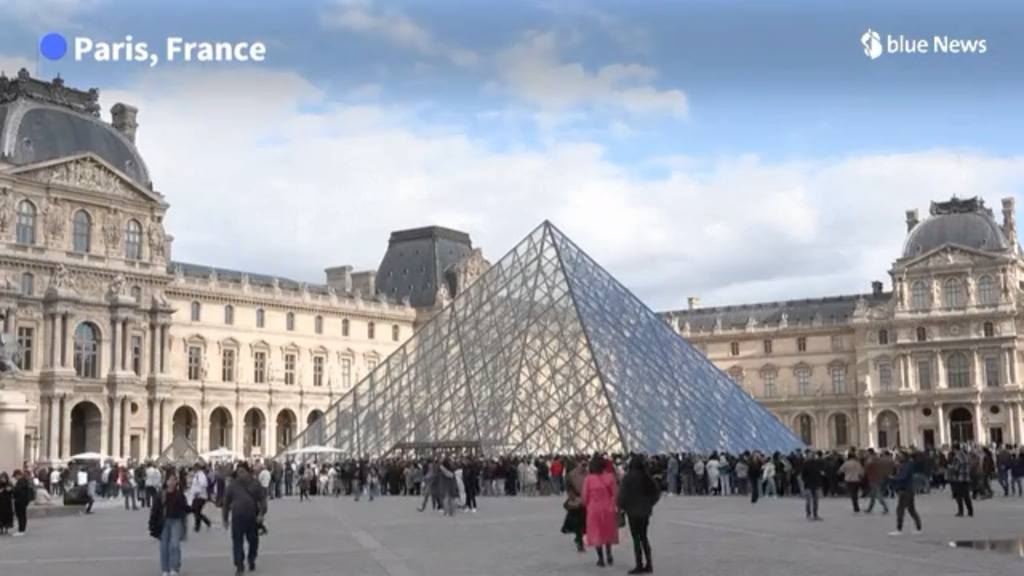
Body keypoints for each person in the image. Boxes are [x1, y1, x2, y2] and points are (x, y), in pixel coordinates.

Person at [222, 463, 268, 576]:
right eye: (238, 472)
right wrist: (225, 519)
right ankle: (239, 565)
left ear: (248, 472)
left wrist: (261, 514)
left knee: (253, 541)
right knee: (237, 542)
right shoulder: (232, 486)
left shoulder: (255, 484)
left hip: (252, 517)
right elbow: (226, 503)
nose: (240, 474)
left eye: (242, 471)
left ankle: (251, 559)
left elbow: (263, 500)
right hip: (237, 518)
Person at [617, 455, 660, 574]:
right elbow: (656, 493)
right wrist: (649, 504)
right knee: (644, 537)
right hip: (645, 512)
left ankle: (639, 564)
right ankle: (649, 564)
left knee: (636, 539)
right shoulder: (647, 478)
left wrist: (622, 507)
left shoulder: (628, 478)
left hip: (632, 512)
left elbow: (622, 496)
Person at [149, 473, 190, 576]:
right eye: (170, 480)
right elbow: (155, 509)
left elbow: (184, 507)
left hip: (176, 521)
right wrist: (152, 523)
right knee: (164, 546)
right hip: (164, 521)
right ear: (166, 481)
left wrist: (192, 510)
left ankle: (174, 568)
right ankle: (165, 569)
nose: (172, 482)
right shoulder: (161, 494)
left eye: (174, 480)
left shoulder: (179, 494)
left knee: (175, 545)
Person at [582, 455, 619, 567]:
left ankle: (600, 558)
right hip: (608, 508)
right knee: (607, 531)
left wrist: (587, 506)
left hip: (594, 509)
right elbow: (616, 493)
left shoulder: (588, 479)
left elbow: (584, 497)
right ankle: (609, 553)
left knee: (596, 533)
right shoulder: (610, 477)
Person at [889, 452, 922, 536]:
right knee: (911, 510)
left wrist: (893, 478)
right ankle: (918, 527)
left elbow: (902, 477)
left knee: (900, 510)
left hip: (905, 490)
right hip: (908, 489)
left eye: (900, 456)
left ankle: (899, 529)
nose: (898, 457)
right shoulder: (905, 465)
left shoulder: (905, 466)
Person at [560, 458, 588, 553]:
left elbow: (568, 488)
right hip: (580, 501)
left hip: (579, 501)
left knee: (580, 523)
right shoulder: (584, 474)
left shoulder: (571, 475)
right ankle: (579, 540)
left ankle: (579, 539)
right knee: (580, 522)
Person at [187, 464, 212, 532]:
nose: (193, 470)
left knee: (196, 511)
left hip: (200, 496)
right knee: (196, 511)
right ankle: (205, 522)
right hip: (196, 496)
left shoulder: (200, 475)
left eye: (194, 468)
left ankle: (199, 525)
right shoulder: (197, 475)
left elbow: (204, 484)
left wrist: (198, 491)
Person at [11, 469, 34, 536]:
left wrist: (13, 490)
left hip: (20, 500)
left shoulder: (21, 481)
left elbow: (17, 490)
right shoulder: (24, 481)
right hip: (23, 500)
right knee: (22, 515)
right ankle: (22, 529)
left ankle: (21, 530)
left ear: (18, 475)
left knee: (20, 515)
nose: (15, 478)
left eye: (15, 476)